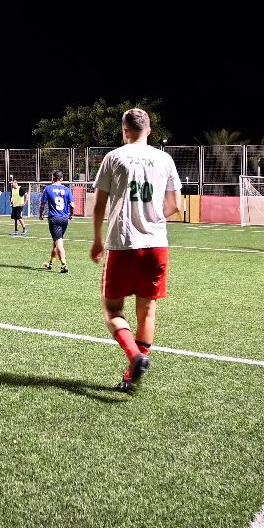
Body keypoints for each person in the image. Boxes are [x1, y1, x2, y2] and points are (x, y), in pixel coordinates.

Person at [89, 108, 181, 392]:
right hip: (156, 245)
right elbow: (175, 206)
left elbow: (99, 205)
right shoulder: (164, 159)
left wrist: (97, 239)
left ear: (124, 131)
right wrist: (153, 218)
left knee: (112, 310)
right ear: (149, 130)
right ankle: (131, 375)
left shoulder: (114, 157)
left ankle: (134, 356)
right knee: (148, 311)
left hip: (123, 243)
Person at [38, 170, 74, 273]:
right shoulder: (67, 189)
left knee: (59, 242)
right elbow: (72, 205)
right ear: (62, 179)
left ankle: (64, 265)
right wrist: (71, 214)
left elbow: (42, 204)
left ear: (52, 177)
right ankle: (50, 263)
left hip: (54, 218)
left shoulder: (48, 188)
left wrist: (40, 214)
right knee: (55, 242)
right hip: (64, 219)